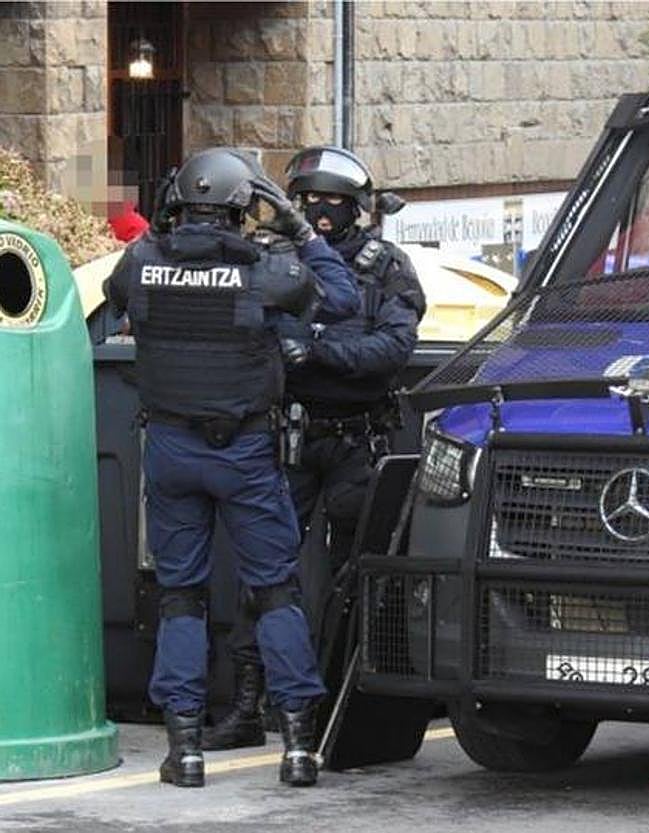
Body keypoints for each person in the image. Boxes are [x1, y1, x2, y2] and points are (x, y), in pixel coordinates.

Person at [103, 147, 360, 789]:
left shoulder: (142, 261)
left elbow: (115, 297)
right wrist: (301, 232)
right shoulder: (266, 271)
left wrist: (163, 231)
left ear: (176, 200)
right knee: (274, 591)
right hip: (244, 451)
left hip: (170, 447)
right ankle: (298, 747)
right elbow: (343, 300)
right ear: (246, 207)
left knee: (181, 596)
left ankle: (185, 750)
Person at [203, 145, 426, 753]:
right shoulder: (275, 259)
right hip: (291, 438)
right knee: (264, 572)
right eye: (307, 202)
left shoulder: (387, 267)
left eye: (332, 201)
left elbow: (393, 349)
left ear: (356, 206)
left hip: (358, 439)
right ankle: (248, 705)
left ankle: (344, 707)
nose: (319, 213)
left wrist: (319, 352)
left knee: (357, 575)